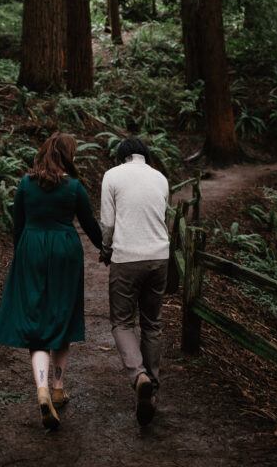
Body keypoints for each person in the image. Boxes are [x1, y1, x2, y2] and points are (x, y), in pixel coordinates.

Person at [0, 132, 102, 430]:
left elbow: (18, 223)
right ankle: (57, 387)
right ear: (69, 155)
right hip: (65, 251)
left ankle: (41, 389)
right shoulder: (75, 187)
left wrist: (21, 254)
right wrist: (105, 249)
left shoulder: (26, 183)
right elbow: (90, 224)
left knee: (36, 321)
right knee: (61, 316)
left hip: (32, 248)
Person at [99, 137, 169, 426]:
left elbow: (108, 222)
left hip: (127, 258)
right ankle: (151, 386)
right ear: (145, 155)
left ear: (122, 156)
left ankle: (138, 374)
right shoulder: (161, 178)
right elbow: (163, 216)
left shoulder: (112, 175)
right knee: (152, 323)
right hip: (159, 257)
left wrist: (106, 250)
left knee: (123, 322)